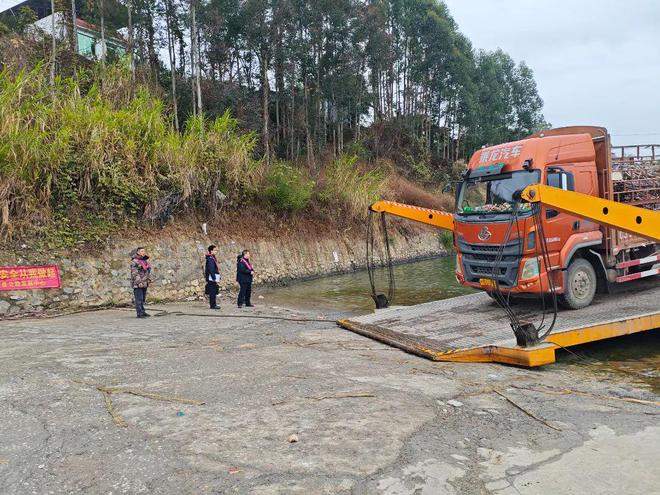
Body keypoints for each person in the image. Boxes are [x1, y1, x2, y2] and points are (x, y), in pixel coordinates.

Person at [130, 247, 152, 318]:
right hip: (138, 283)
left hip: (145, 282)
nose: (143, 252)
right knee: (139, 299)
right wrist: (139, 282)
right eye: (142, 251)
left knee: (143, 298)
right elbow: (135, 273)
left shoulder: (145, 261)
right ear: (138, 252)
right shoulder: (135, 261)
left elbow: (147, 271)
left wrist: (148, 280)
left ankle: (143, 311)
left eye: (144, 251)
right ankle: (139, 314)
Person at [204, 245, 221, 310]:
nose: (216, 251)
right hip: (211, 278)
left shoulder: (212, 257)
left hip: (212, 277)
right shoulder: (210, 258)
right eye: (215, 250)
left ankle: (214, 304)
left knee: (213, 291)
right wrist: (214, 278)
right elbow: (211, 269)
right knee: (212, 291)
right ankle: (213, 305)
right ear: (211, 251)